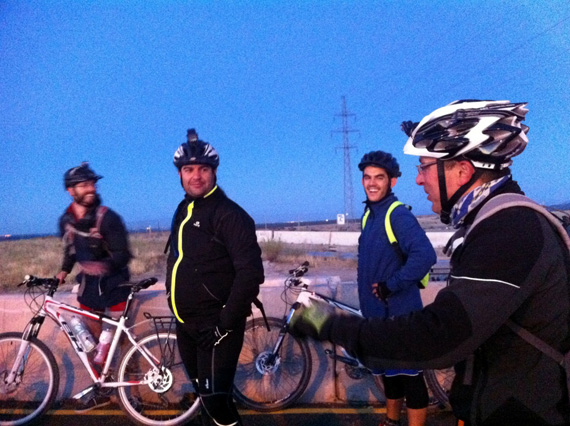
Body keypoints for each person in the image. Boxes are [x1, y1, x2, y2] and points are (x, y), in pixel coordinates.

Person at [291, 100, 570, 426]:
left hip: (526, 415)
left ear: (463, 171)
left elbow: (442, 335)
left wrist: (330, 324)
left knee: (410, 380)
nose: (420, 180)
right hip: (501, 406)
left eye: (424, 166)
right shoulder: (492, 221)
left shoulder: (511, 230)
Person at [166, 128, 264, 426]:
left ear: (214, 172)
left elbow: (250, 273)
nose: (196, 176)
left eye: (203, 169)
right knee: (210, 399)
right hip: (186, 325)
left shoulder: (229, 214)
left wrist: (224, 324)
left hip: (216, 327)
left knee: (215, 404)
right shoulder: (183, 209)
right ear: (180, 174)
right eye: (189, 169)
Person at [357, 150, 436, 426]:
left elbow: (425, 255)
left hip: (402, 315)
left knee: (411, 377)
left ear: (392, 182)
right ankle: (392, 421)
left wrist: (392, 286)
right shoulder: (369, 216)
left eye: (379, 177)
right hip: (379, 317)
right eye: (367, 177)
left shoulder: (397, 214)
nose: (372, 183)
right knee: (390, 373)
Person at [56, 162, 132, 411]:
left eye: (93, 184)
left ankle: (130, 397)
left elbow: (123, 254)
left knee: (118, 345)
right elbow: (70, 249)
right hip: (88, 290)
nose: (91, 188)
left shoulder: (108, 218)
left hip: (114, 289)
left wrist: (103, 266)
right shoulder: (66, 220)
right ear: (71, 190)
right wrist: (64, 270)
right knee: (91, 346)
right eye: (84, 185)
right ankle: (100, 390)